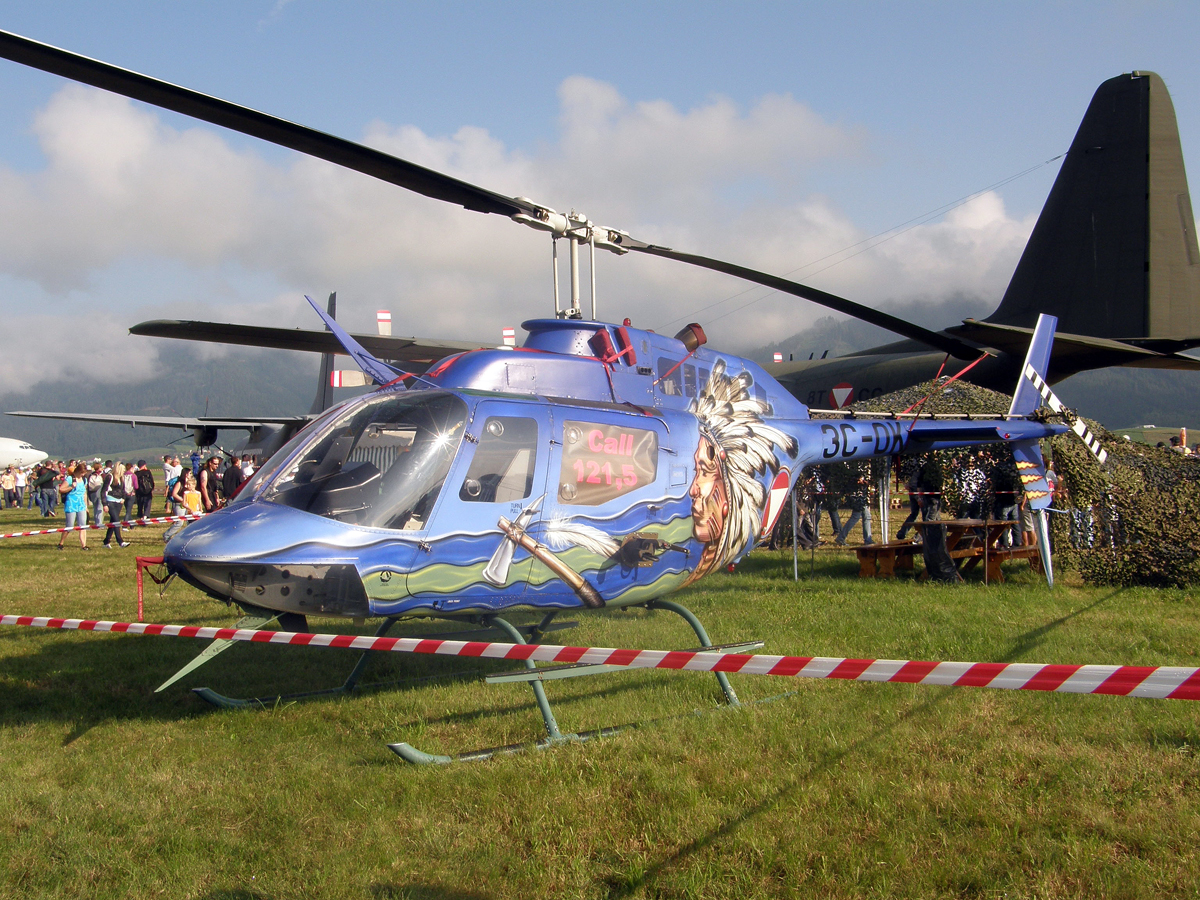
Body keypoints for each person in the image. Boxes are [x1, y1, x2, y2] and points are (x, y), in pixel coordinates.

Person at [835, 462, 874, 546]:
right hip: (857, 498)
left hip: (861, 497)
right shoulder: (856, 466)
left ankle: (868, 539)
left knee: (866, 516)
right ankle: (841, 538)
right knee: (855, 517)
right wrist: (860, 481)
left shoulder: (863, 466)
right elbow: (855, 478)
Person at [57, 464, 90, 550]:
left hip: (81, 504)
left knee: (83, 525)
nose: (83, 475)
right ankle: (61, 543)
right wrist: (71, 487)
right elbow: (61, 490)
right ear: (78, 471)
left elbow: (84, 493)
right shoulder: (70, 479)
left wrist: (86, 506)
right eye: (82, 473)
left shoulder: (84, 480)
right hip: (71, 503)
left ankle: (84, 545)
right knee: (69, 526)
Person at [102, 462, 131, 548]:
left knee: (113, 522)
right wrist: (104, 504)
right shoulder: (110, 477)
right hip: (110, 501)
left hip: (119, 502)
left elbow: (123, 490)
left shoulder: (122, 478)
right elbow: (104, 491)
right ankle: (120, 541)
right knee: (116, 521)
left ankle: (106, 541)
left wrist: (123, 498)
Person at [163, 470, 195, 542]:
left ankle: (189, 537)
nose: (191, 475)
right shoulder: (179, 483)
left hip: (188, 505)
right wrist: (182, 500)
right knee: (179, 522)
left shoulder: (189, 483)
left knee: (190, 521)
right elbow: (174, 494)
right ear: (186, 474)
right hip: (179, 504)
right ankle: (167, 535)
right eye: (190, 473)